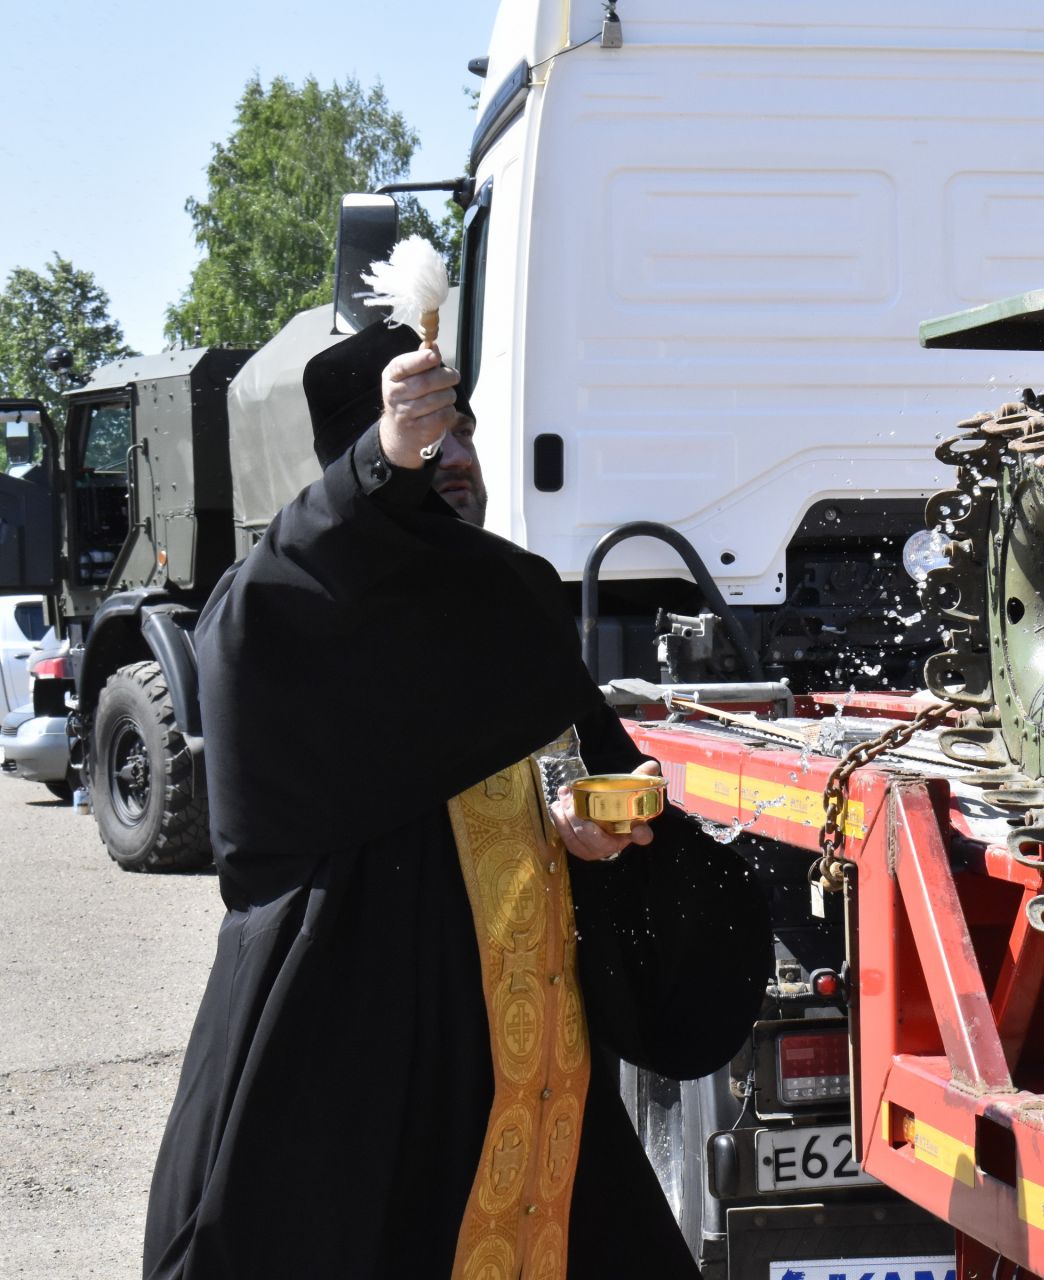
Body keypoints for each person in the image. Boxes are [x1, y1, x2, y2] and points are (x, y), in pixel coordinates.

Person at [144, 323, 772, 1279]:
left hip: (529, 1070)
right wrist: (379, 467)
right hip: (373, 1067)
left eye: (464, 434)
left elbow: (575, 760)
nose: (458, 460)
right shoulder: (297, 610)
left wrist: (603, 824)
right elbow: (257, 617)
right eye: (427, 443)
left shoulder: (515, 595)